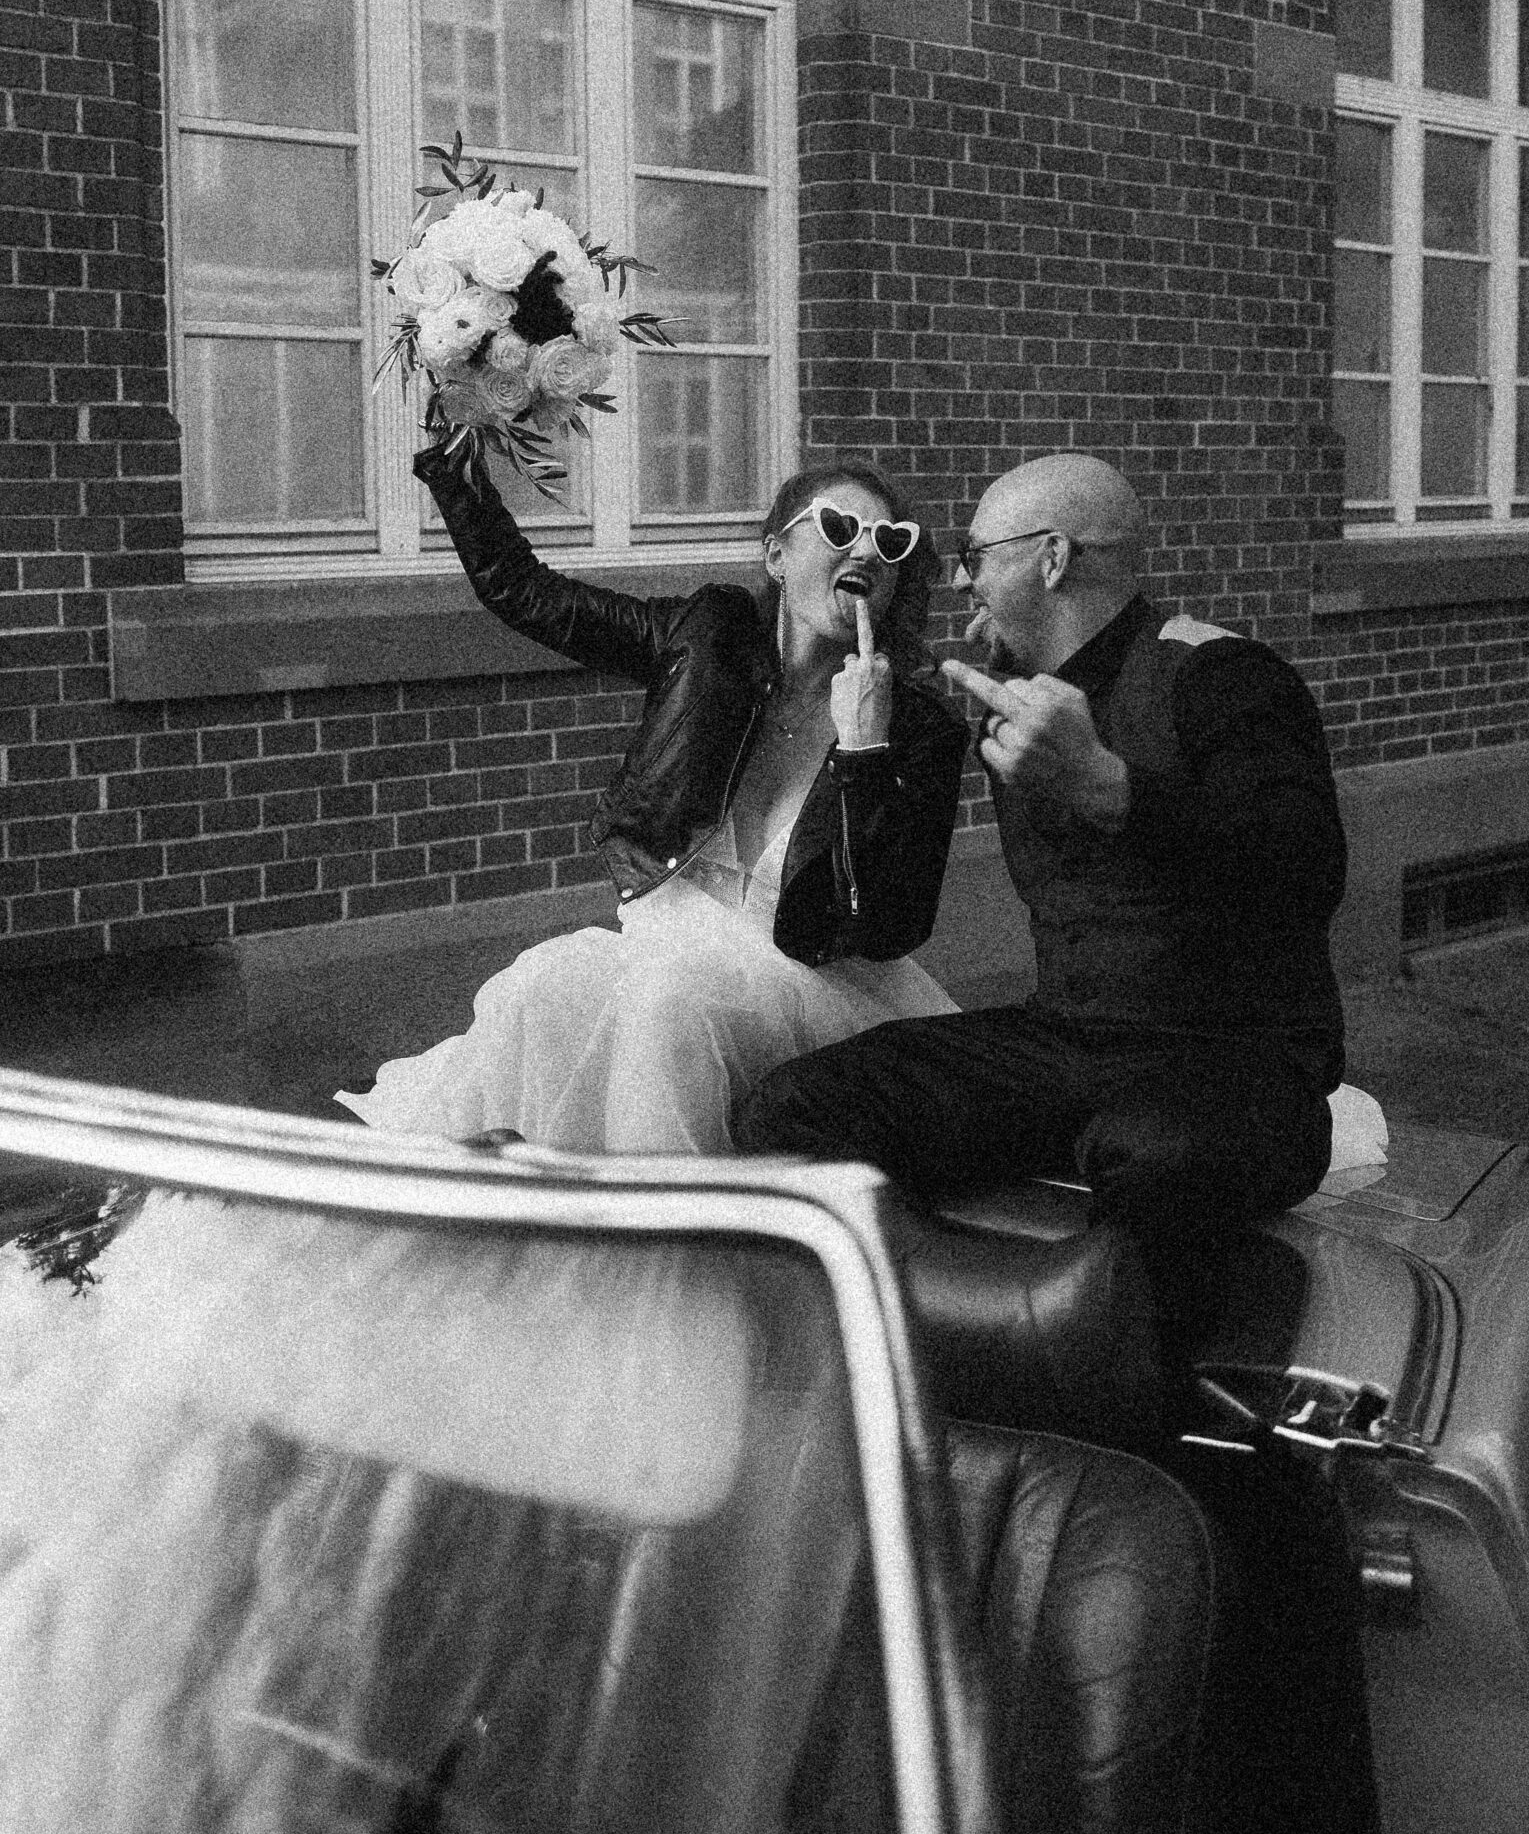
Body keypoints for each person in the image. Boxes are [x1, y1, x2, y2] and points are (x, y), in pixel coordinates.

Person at [732, 450, 1379, 1266]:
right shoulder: (1015, 697)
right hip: (1070, 1042)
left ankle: (1112, 1369)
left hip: (1239, 1062)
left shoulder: (1220, 674)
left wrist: (1114, 788)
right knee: (792, 1109)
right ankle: (925, 1335)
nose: (961, 584)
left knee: (1150, 1151)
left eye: (976, 559)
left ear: (1053, 558)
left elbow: (1309, 871)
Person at [338, 445, 967, 1151]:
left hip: (820, 981)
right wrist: (457, 470)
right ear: (776, 556)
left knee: (669, 1003)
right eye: (840, 527)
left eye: (890, 542)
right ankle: (507, 1212)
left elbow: (888, 927)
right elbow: (530, 594)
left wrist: (864, 756)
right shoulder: (707, 643)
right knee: (539, 983)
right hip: (677, 937)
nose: (867, 552)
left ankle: (678, 1237)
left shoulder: (918, 726)